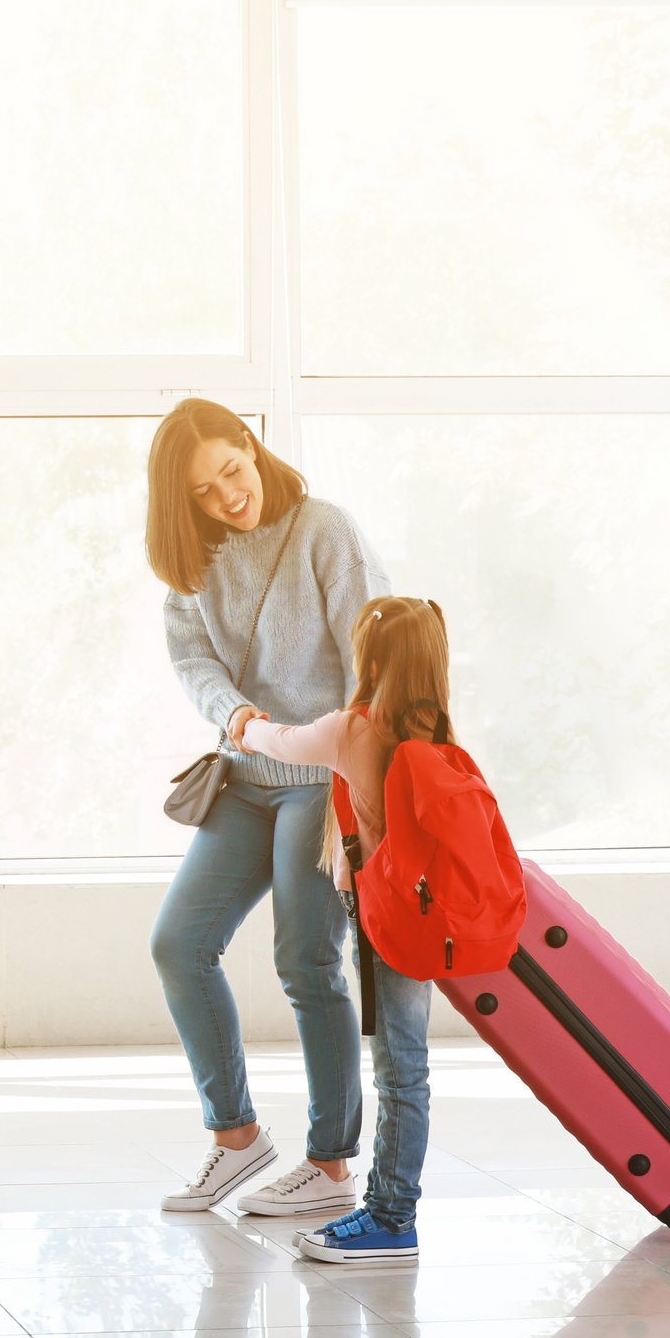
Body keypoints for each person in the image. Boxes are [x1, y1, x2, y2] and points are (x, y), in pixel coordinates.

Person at [145, 398, 390, 1217]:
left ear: (250, 446)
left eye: (231, 471)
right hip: (244, 773)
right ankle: (236, 1141)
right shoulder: (194, 561)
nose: (228, 497)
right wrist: (238, 717)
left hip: (319, 783)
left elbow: (371, 655)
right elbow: (191, 661)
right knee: (178, 945)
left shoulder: (323, 529)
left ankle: (329, 1167)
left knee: (305, 963)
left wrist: (353, 776)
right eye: (205, 493)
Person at [240, 596, 459, 1264]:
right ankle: (387, 1210)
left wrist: (243, 723)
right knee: (405, 1066)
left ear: (365, 660)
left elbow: (276, 744)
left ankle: (391, 1219)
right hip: (428, 913)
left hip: (385, 916)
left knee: (399, 1069)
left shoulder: (350, 729)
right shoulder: (437, 733)